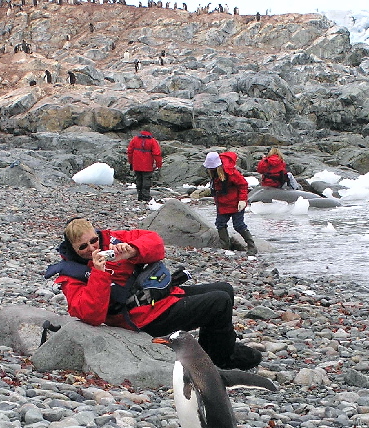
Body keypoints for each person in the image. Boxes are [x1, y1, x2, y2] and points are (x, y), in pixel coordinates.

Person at [44, 217, 263, 371]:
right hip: (144, 318)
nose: (92, 248)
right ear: (73, 249)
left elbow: (155, 242)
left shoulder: (114, 240)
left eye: (94, 240)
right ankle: (218, 361)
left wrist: (132, 251)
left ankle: (217, 349)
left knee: (225, 289)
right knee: (219, 302)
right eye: (83, 247)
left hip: (163, 297)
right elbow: (91, 315)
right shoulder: (71, 276)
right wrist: (99, 274)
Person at [203, 151, 257, 255]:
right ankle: (225, 247)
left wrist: (242, 200)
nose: (209, 169)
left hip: (236, 204)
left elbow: (243, 184)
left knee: (239, 225)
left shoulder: (231, 172)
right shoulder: (213, 173)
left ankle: (252, 247)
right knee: (220, 224)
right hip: (222, 204)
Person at [127, 130, 162, 201]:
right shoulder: (152, 141)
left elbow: (129, 151)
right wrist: (159, 164)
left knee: (138, 179)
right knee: (147, 179)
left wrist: (131, 162)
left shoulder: (135, 139)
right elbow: (157, 154)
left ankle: (140, 196)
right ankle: (146, 196)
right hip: (147, 164)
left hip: (137, 164)